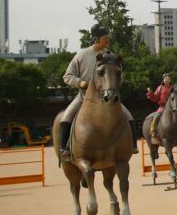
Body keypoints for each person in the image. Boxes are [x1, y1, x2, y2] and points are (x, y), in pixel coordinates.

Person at [59, 23, 138, 159]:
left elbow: (120, 76)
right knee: (66, 116)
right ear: (96, 39)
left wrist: (115, 83)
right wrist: (80, 82)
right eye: (105, 38)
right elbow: (67, 76)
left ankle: (132, 145)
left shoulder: (111, 56)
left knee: (128, 116)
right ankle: (64, 148)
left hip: (108, 97)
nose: (108, 41)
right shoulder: (82, 55)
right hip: (84, 97)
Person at [146, 73, 173, 144]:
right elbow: (155, 97)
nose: (167, 80)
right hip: (163, 107)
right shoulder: (160, 87)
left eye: (168, 78)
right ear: (163, 80)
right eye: (166, 78)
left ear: (170, 80)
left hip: (173, 107)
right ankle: (153, 133)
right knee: (156, 116)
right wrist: (150, 93)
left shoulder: (173, 87)